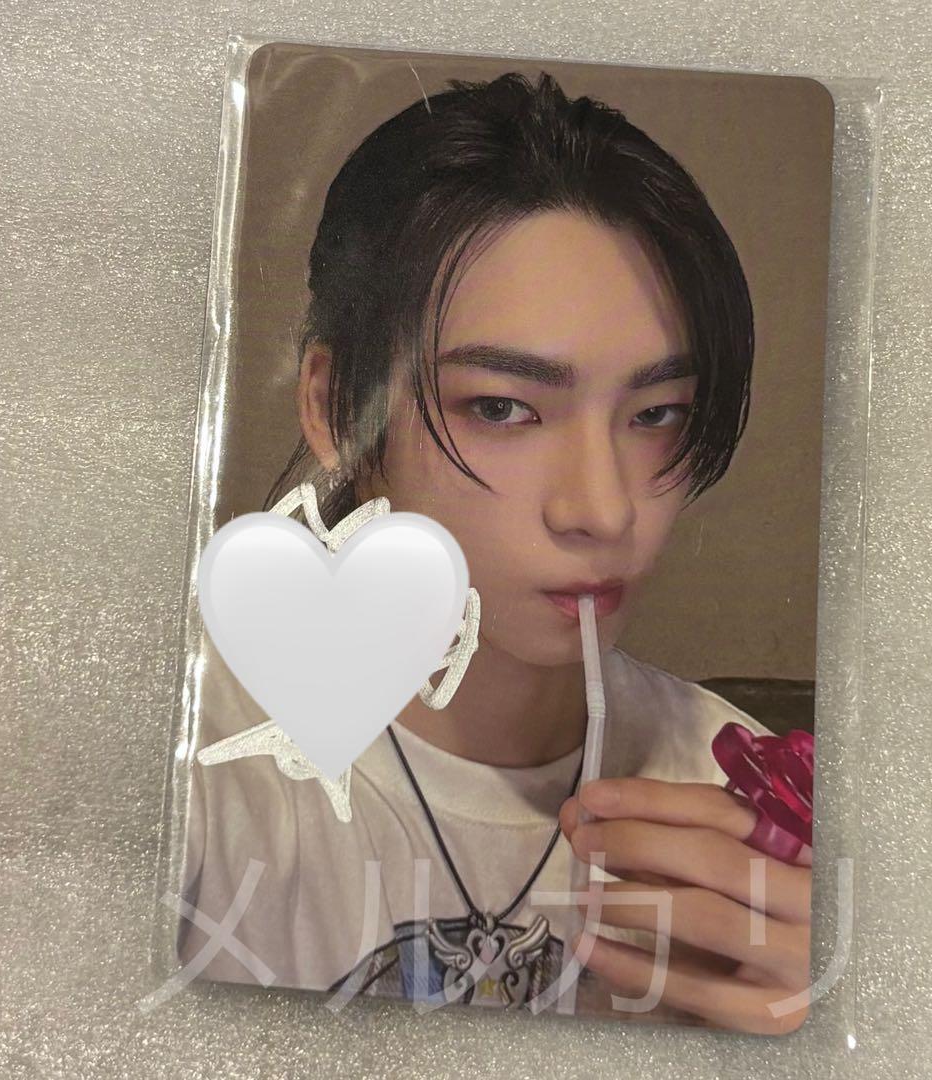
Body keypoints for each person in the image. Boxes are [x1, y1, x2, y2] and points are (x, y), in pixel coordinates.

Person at [178, 70, 812, 1034]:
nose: (602, 509)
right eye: (503, 408)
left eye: (656, 415)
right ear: (338, 408)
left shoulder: (734, 796)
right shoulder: (185, 758)